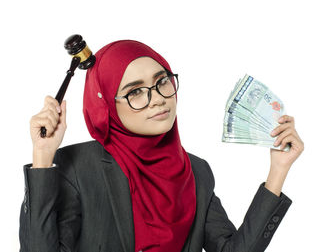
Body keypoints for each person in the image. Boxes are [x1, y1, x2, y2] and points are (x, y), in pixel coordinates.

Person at [19, 40, 304, 252]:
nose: (157, 99)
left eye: (162, 82)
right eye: (135, 92)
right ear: (106, 105)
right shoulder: (77, 168)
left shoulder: (196, 171)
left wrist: (278, 171)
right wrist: (43, 159)